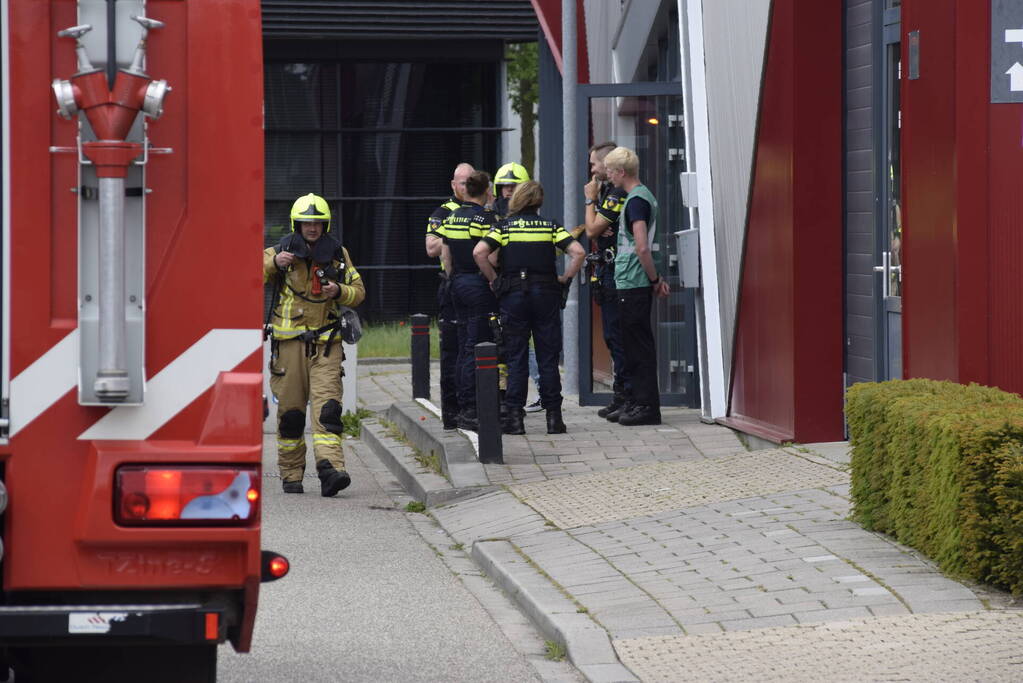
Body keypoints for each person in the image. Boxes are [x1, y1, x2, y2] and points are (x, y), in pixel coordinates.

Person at [263, 193, 366, 495]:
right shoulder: (281, 251)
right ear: (297, 224)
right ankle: (291, 473)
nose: (312, 228)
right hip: (288, 348)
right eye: (306, 222)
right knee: (292, 415)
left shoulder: (337, 254)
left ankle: (330, 470)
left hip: (326, 346)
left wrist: (339, 291)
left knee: (328, 410)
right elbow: (246, 274)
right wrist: (274, 263)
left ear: (325, 225)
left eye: (317, 223)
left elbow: (359, 292)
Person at [474, 181, 585, 435]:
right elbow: (578, 252)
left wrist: (494, 280)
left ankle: (514, 418)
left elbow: (480, 252)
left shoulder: (504, 227)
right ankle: (554, 418)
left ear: (517, 200)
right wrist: (565, 279)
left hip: (513, 296)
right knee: (548, 357)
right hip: (546, 295)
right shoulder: (550, 226)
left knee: (516, 357)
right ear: (539, 201)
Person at [603, 147, 669, 426]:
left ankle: (645, 406)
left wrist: (655, 280)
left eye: (609, 170)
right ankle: (634, 401)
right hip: (632, 281)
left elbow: (641, 247)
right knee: (631, 345)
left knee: (638, 347)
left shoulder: (636, 202)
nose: (607, 176)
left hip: (635, 282)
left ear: (621, 172)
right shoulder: (639, 197)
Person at [439, 170, 499, 432]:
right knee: (478, 346)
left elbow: (445, 252)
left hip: (456, 284)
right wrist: (493, 279)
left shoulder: (452, 216)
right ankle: (472, 410)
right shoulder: (485, 218)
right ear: (486, 190)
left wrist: (451, 279)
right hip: (477, 284)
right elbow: (488, 256)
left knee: (463, 346)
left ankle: (461, 408)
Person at [580, 141, 630, 420]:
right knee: (612, 336)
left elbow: (592, 230)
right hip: (608, 272)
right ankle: (620, 394)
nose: (592, 169)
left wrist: (590, 200)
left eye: (594, 164)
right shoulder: (608, 191)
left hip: (617, 273)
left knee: (617, 335)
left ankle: (625, 395)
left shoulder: (615, 193)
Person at [425, 163, 474, 429]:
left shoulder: (483, 210)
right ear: (453, 185)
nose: (466, 186)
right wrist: (458, 229)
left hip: (478, 285)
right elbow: (431, 247)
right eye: (462, 182)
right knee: (452, 350)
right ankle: (452, 412)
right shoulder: (443, 212)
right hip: (452, 285)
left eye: (470, 181)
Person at [492, 161, 543, 413]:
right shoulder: (493, 215)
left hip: (516, 288)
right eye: (504, 187)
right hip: (502, 287)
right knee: (506, 344)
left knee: (519, 346)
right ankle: (506, 396)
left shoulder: (524, 220)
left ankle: (525, 398)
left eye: (513, 187)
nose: (508, 192)